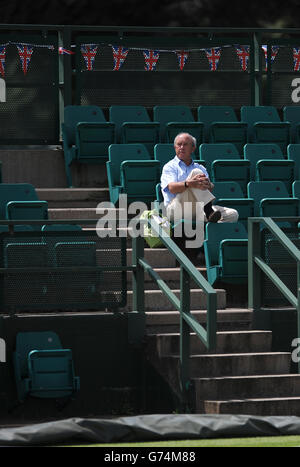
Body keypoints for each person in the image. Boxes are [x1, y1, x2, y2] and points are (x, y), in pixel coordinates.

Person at [160, 132, 239, 225]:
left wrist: (209, 185)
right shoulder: (170, 166)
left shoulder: (201, 167)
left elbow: (207, 191)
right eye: (179, 144)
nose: (181, 147)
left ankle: (210, 234)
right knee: (196, 173)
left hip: (198, 209)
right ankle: (209, 211)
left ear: (193, 148)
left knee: (233, 214)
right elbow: (171, 188)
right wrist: (188, 183)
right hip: (176, 209)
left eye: (185, 144)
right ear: (175, 148)